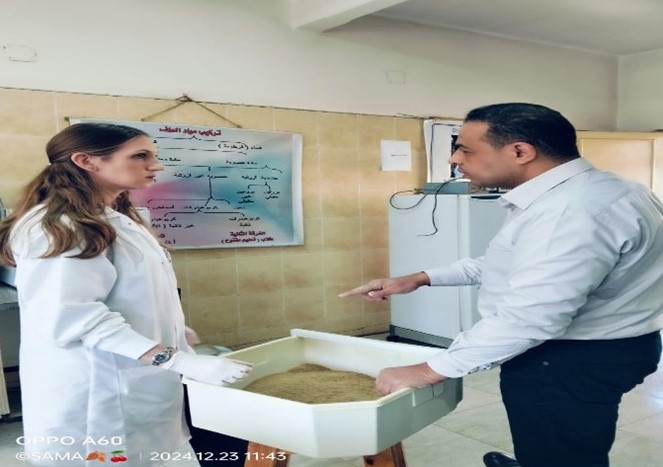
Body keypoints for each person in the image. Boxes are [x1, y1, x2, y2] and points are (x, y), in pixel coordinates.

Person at [340, 103, 663, 467]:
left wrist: (429, 369)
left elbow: (530, 317)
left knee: (561, 454)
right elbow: (510, 264)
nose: (454, 159)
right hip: (610, 347)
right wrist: (420, 278)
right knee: (559, 440)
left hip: (568, 359)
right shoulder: (609, 189)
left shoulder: (570, 211)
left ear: (520, 151)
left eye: (465, 149)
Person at [0, 123, 252, 466]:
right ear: (86, 161)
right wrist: (179, 360)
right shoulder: (61, 226)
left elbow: (129, 293)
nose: (156, 165)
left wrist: (170, 327)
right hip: (95, 395)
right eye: (140, 155)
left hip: (136, 383)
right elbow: (74, 317)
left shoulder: (115, 219)